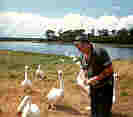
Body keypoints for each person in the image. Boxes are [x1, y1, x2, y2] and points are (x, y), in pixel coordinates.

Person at [73, 34, 114, 117]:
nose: (79, 50)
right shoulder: (82, 55)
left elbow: (110, 70)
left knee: (104, 110)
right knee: (94, 107)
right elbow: (84, 69)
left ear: (87, 44)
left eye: (80, 47)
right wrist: (85, 77)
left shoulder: (100, 52)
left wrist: (96, 78)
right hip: (93, 86)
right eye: (77, 47)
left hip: (105, 85)